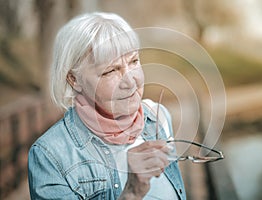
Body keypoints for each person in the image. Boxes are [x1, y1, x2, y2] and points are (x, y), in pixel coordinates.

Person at [28, 12, 186, 200]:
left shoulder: (158, 117)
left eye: (134, 61)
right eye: (110, 71)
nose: (131, 81)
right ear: (74, 79)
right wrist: (131, 194)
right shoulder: (50, 156)